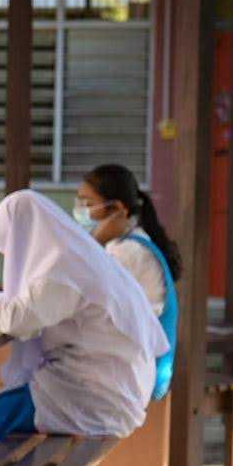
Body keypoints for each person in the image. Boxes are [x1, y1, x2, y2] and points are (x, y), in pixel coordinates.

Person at [0, 189, 170, 441]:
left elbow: (19, 320)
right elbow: (38, 304)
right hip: (113, 388)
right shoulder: (75, 257)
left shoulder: (63, 269)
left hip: (98, 398)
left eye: (9, 252)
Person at [74, 164, 181, 399]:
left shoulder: (126, 252)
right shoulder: (130, 242)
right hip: (139, 365)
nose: (81, 211)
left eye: (88, 204)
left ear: (117, 209)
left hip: (140, 372)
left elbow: (84, 297)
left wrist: (93, 242)